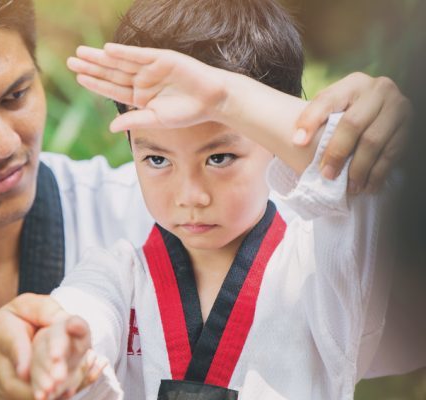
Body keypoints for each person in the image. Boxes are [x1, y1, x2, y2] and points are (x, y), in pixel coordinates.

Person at [0, 0, 412, 398]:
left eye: (16, 95)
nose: (2, 144)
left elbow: (385, 283)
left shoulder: (156, 202)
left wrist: (324, 132)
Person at [27, 0, 417, 398]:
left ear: (273, 142)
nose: (190, 195)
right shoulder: (116, 278)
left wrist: (227, 98)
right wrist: (62, 343)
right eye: (157, 159)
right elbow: (80, 313)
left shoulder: (320, 273)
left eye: (219, 158)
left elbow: (373, 188)